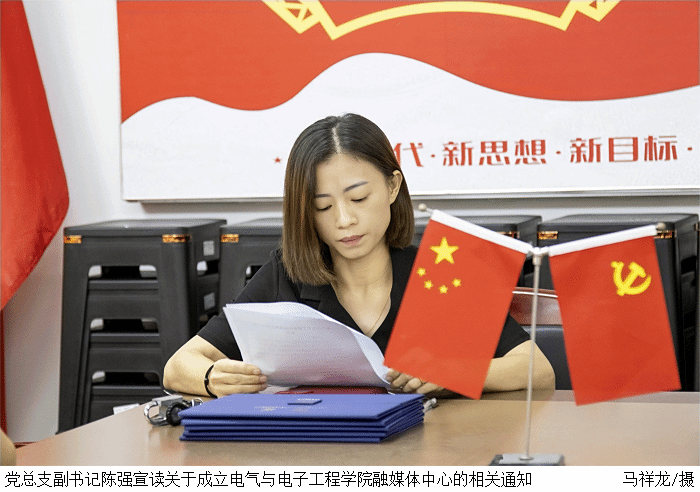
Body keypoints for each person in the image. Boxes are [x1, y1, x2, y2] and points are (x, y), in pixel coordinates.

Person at [163, 114, 555, 397]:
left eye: (359, 198)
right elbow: (179, 365)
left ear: (392, 187)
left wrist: (453, 373)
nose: (344, 220)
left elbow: (537, 369)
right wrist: (212, 378)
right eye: (322, 206)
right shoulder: (287, 275)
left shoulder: (438, 271)